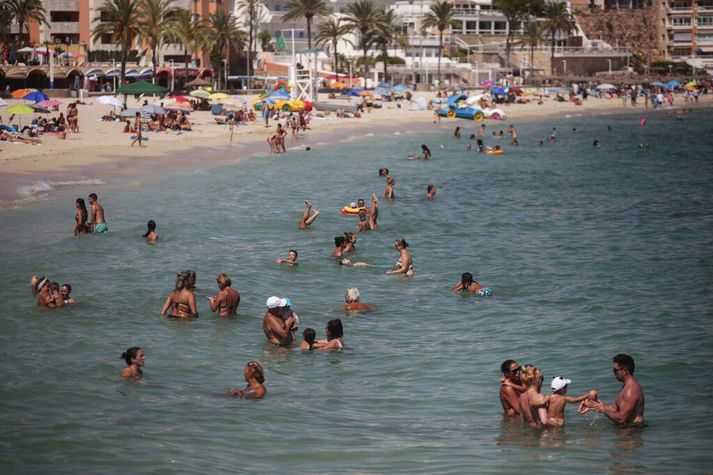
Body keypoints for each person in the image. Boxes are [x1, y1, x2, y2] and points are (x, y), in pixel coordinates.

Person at [584, 354, 645, 427]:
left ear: (625, 371)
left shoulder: (631, 390)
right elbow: (616, 408)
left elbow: (622, 418)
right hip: (627, 434)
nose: (613, 373)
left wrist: (604, 410)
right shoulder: (627, 387)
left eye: (615, 370)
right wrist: (595, 405)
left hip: (632, 435)